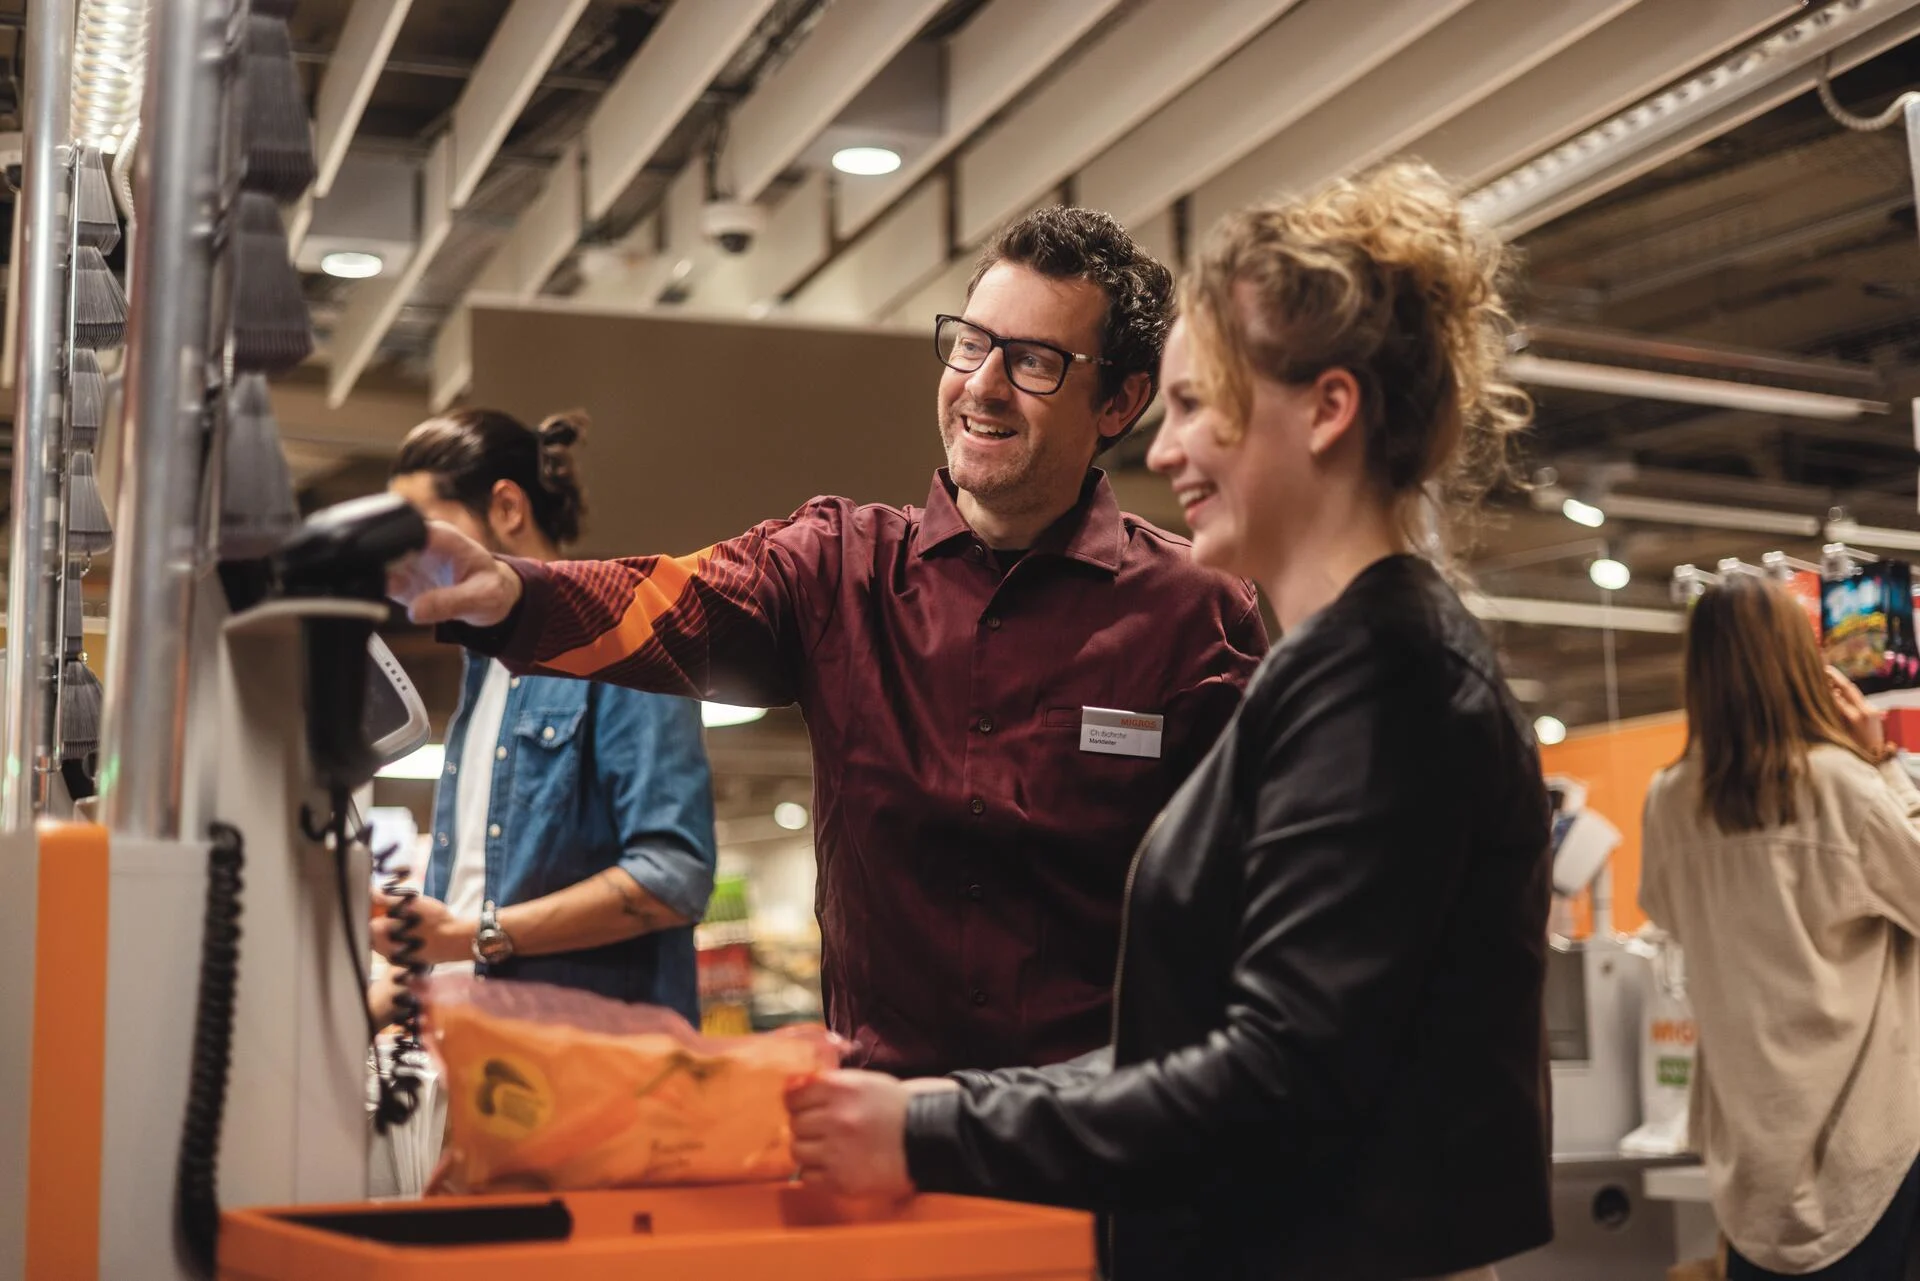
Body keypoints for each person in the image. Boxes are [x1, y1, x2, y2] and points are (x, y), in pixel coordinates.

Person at [780, 161, 1554, 1281]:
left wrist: (928, 1130)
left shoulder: (1390, 688)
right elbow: (1193, 1049)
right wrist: (936, 1105)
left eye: (1196, 406)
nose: (1162, 452)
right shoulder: (1328, 675)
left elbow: (1274, 1078)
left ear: (1328, 410)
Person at [387, 208, 1268, 1078]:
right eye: (970, 344)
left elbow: (1252, 898)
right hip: (886, 1143)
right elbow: (668, 600)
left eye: (1033, 360)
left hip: (1102, 1152)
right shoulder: (837, 568)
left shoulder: (1196, 614)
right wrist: (512, 591)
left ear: (1118, 401)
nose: (983, 384)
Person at [373, 408, 717, 1025]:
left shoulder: (621, 649)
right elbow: (466, 896)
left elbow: (674, 878)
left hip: (597, 1082)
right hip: (492, 1066)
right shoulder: (481, 672)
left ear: (507, 508)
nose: (407, 560)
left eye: (424, 532)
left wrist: (477, 935)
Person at [1639, 575, 1920, 1280]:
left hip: (1752, 1154)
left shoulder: (1669, 800)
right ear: (1800, 662)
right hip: (1864, 1144)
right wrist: (1886, 762)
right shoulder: (1839, 784)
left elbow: (1665, 912)